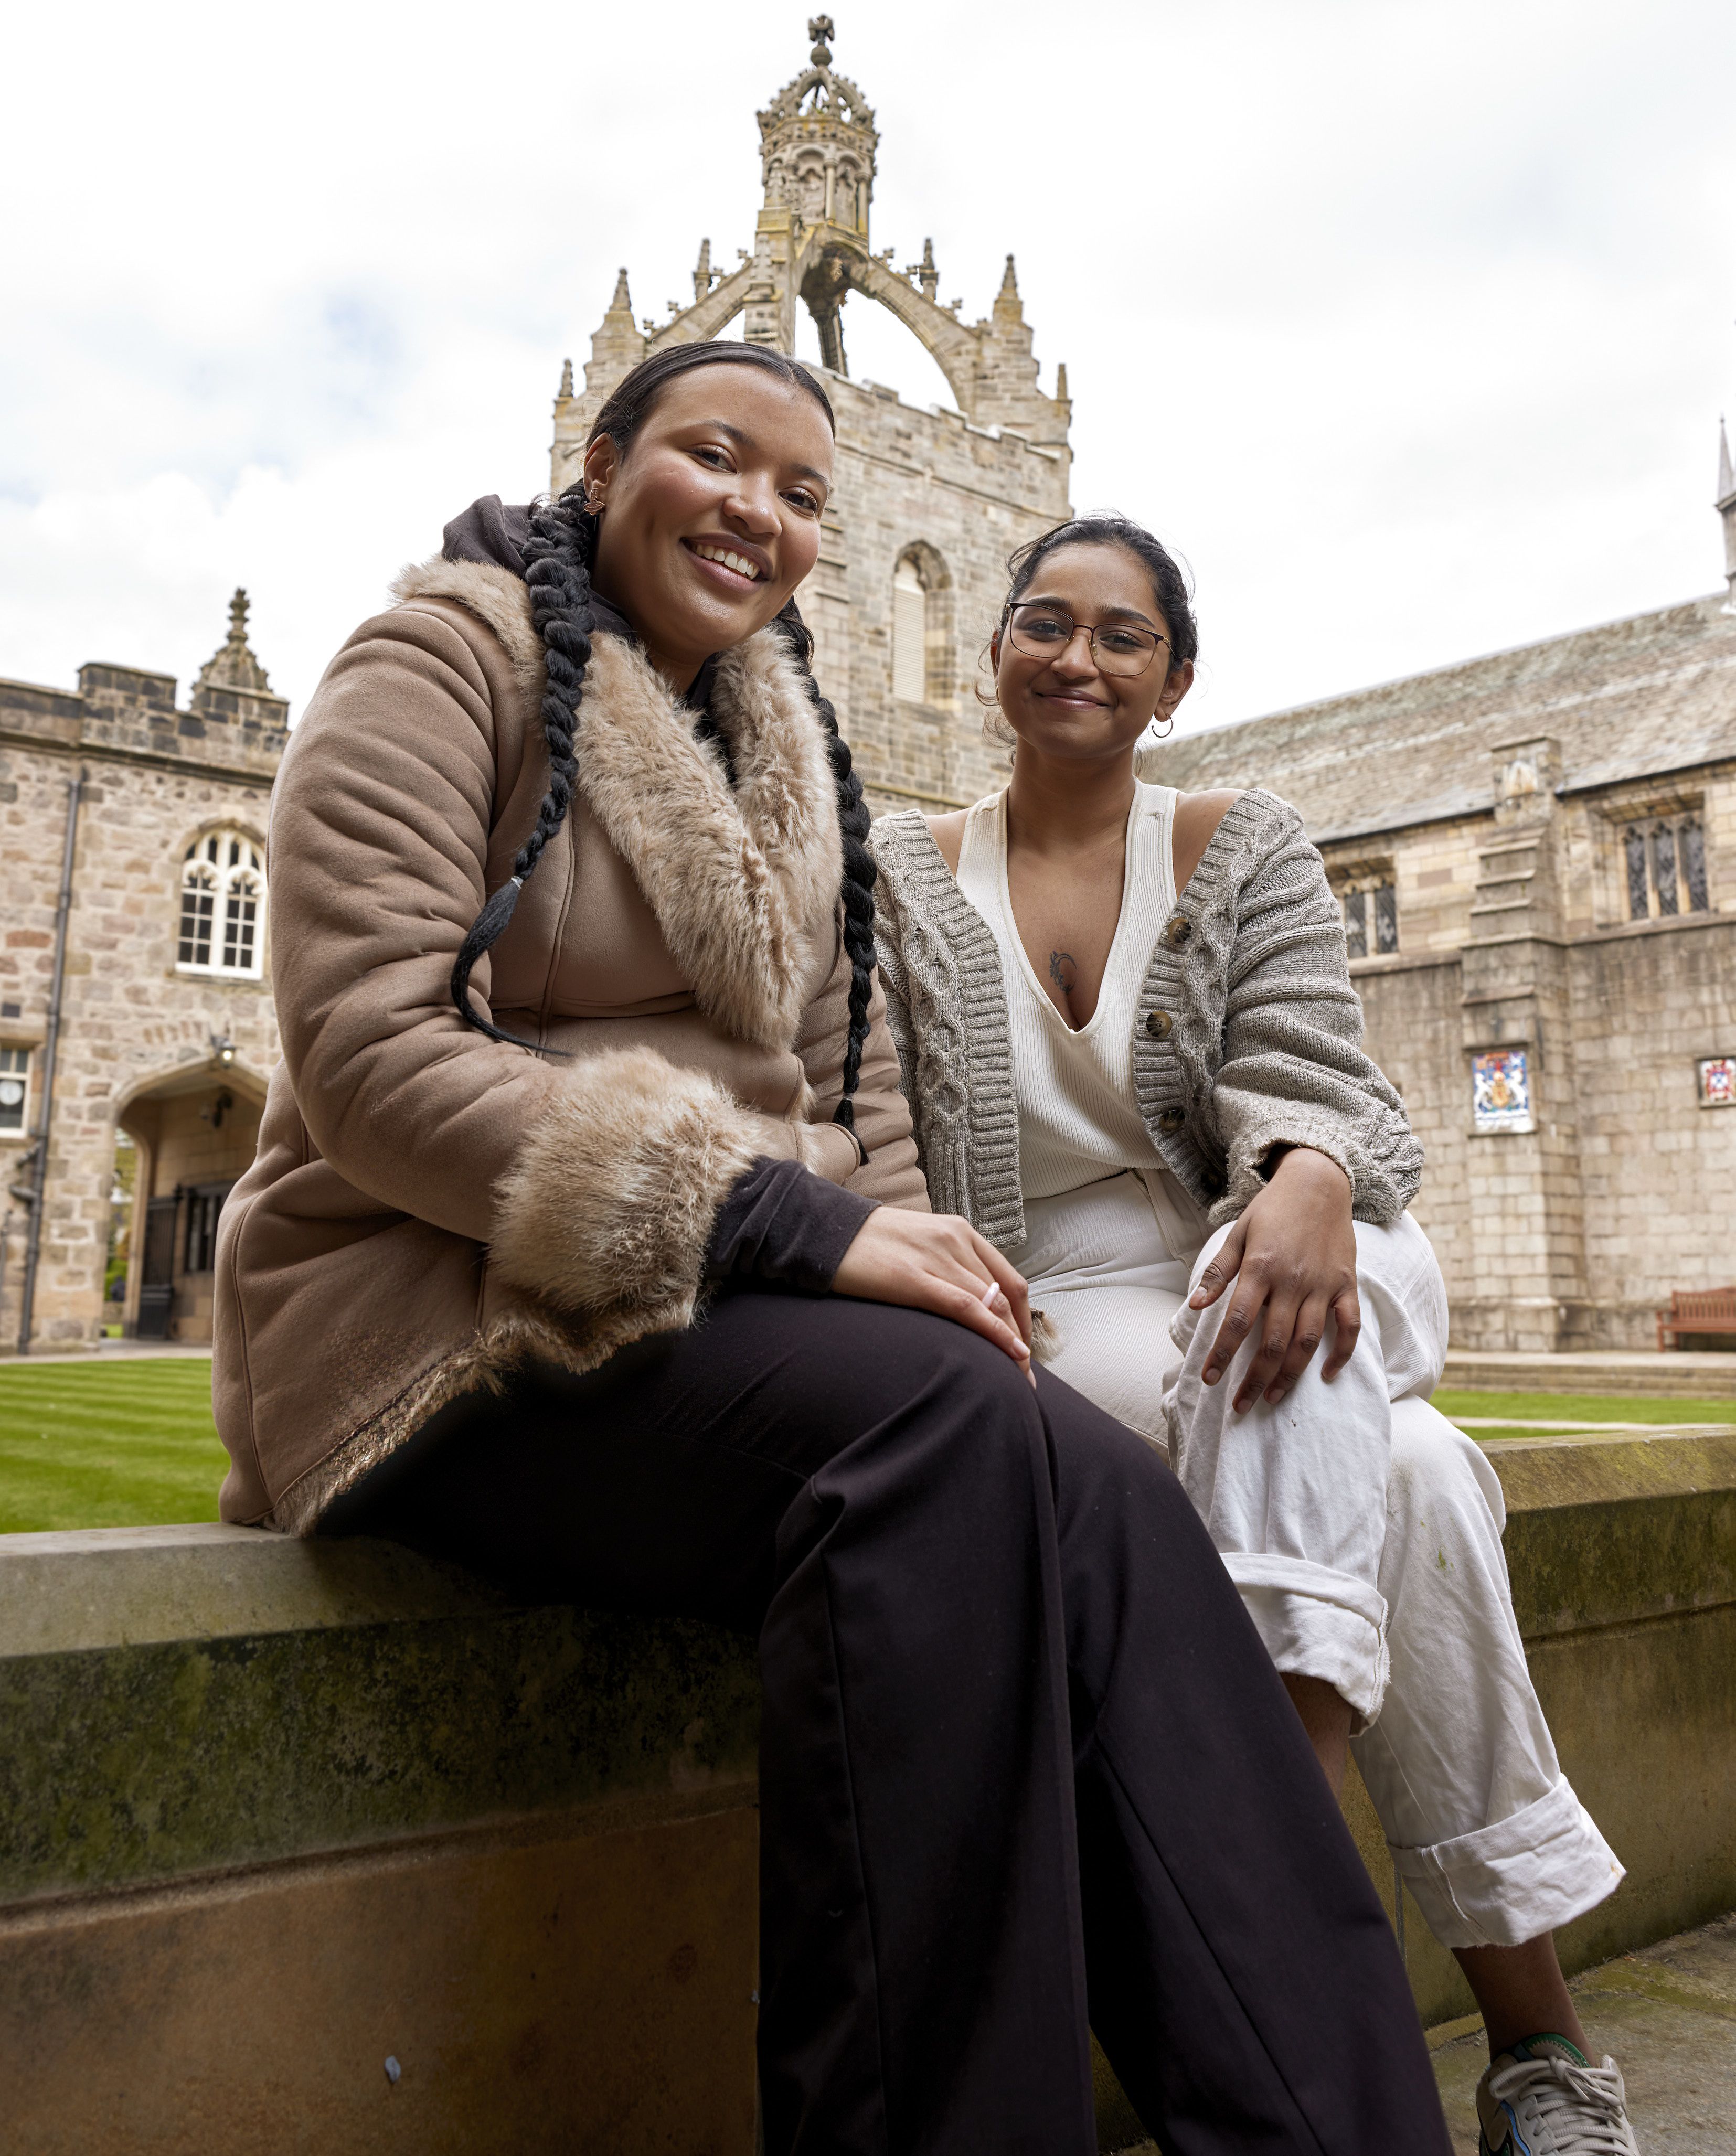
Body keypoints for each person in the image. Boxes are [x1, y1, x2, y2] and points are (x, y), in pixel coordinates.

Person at [213, 356, 1449, 2155]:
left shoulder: (795, 753)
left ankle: (1344, 2133)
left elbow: (849, 1086)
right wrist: (789, 1223)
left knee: (1098, 1487)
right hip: (447, 1315)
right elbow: (371, 1056)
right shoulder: (443, 661)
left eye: (802, 492)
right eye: (716, 456)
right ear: (604, 458)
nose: (758, 511)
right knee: (944, 1446)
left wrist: (904, 1248)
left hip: (718, 1310)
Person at [870, 511, 1639, 2156]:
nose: (1078, 655)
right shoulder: (899, 877)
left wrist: (1308, 1171)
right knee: (1421, 1478)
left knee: (1287, 1321)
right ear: (996, 648)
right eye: (1047, 622)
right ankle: (1541, 2053)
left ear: (1175, 677)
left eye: (1122, 634)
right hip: (1058, 1303)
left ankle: (1266, 1830)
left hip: (1290, 1224)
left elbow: (1310, 1053)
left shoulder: (1247, 836)